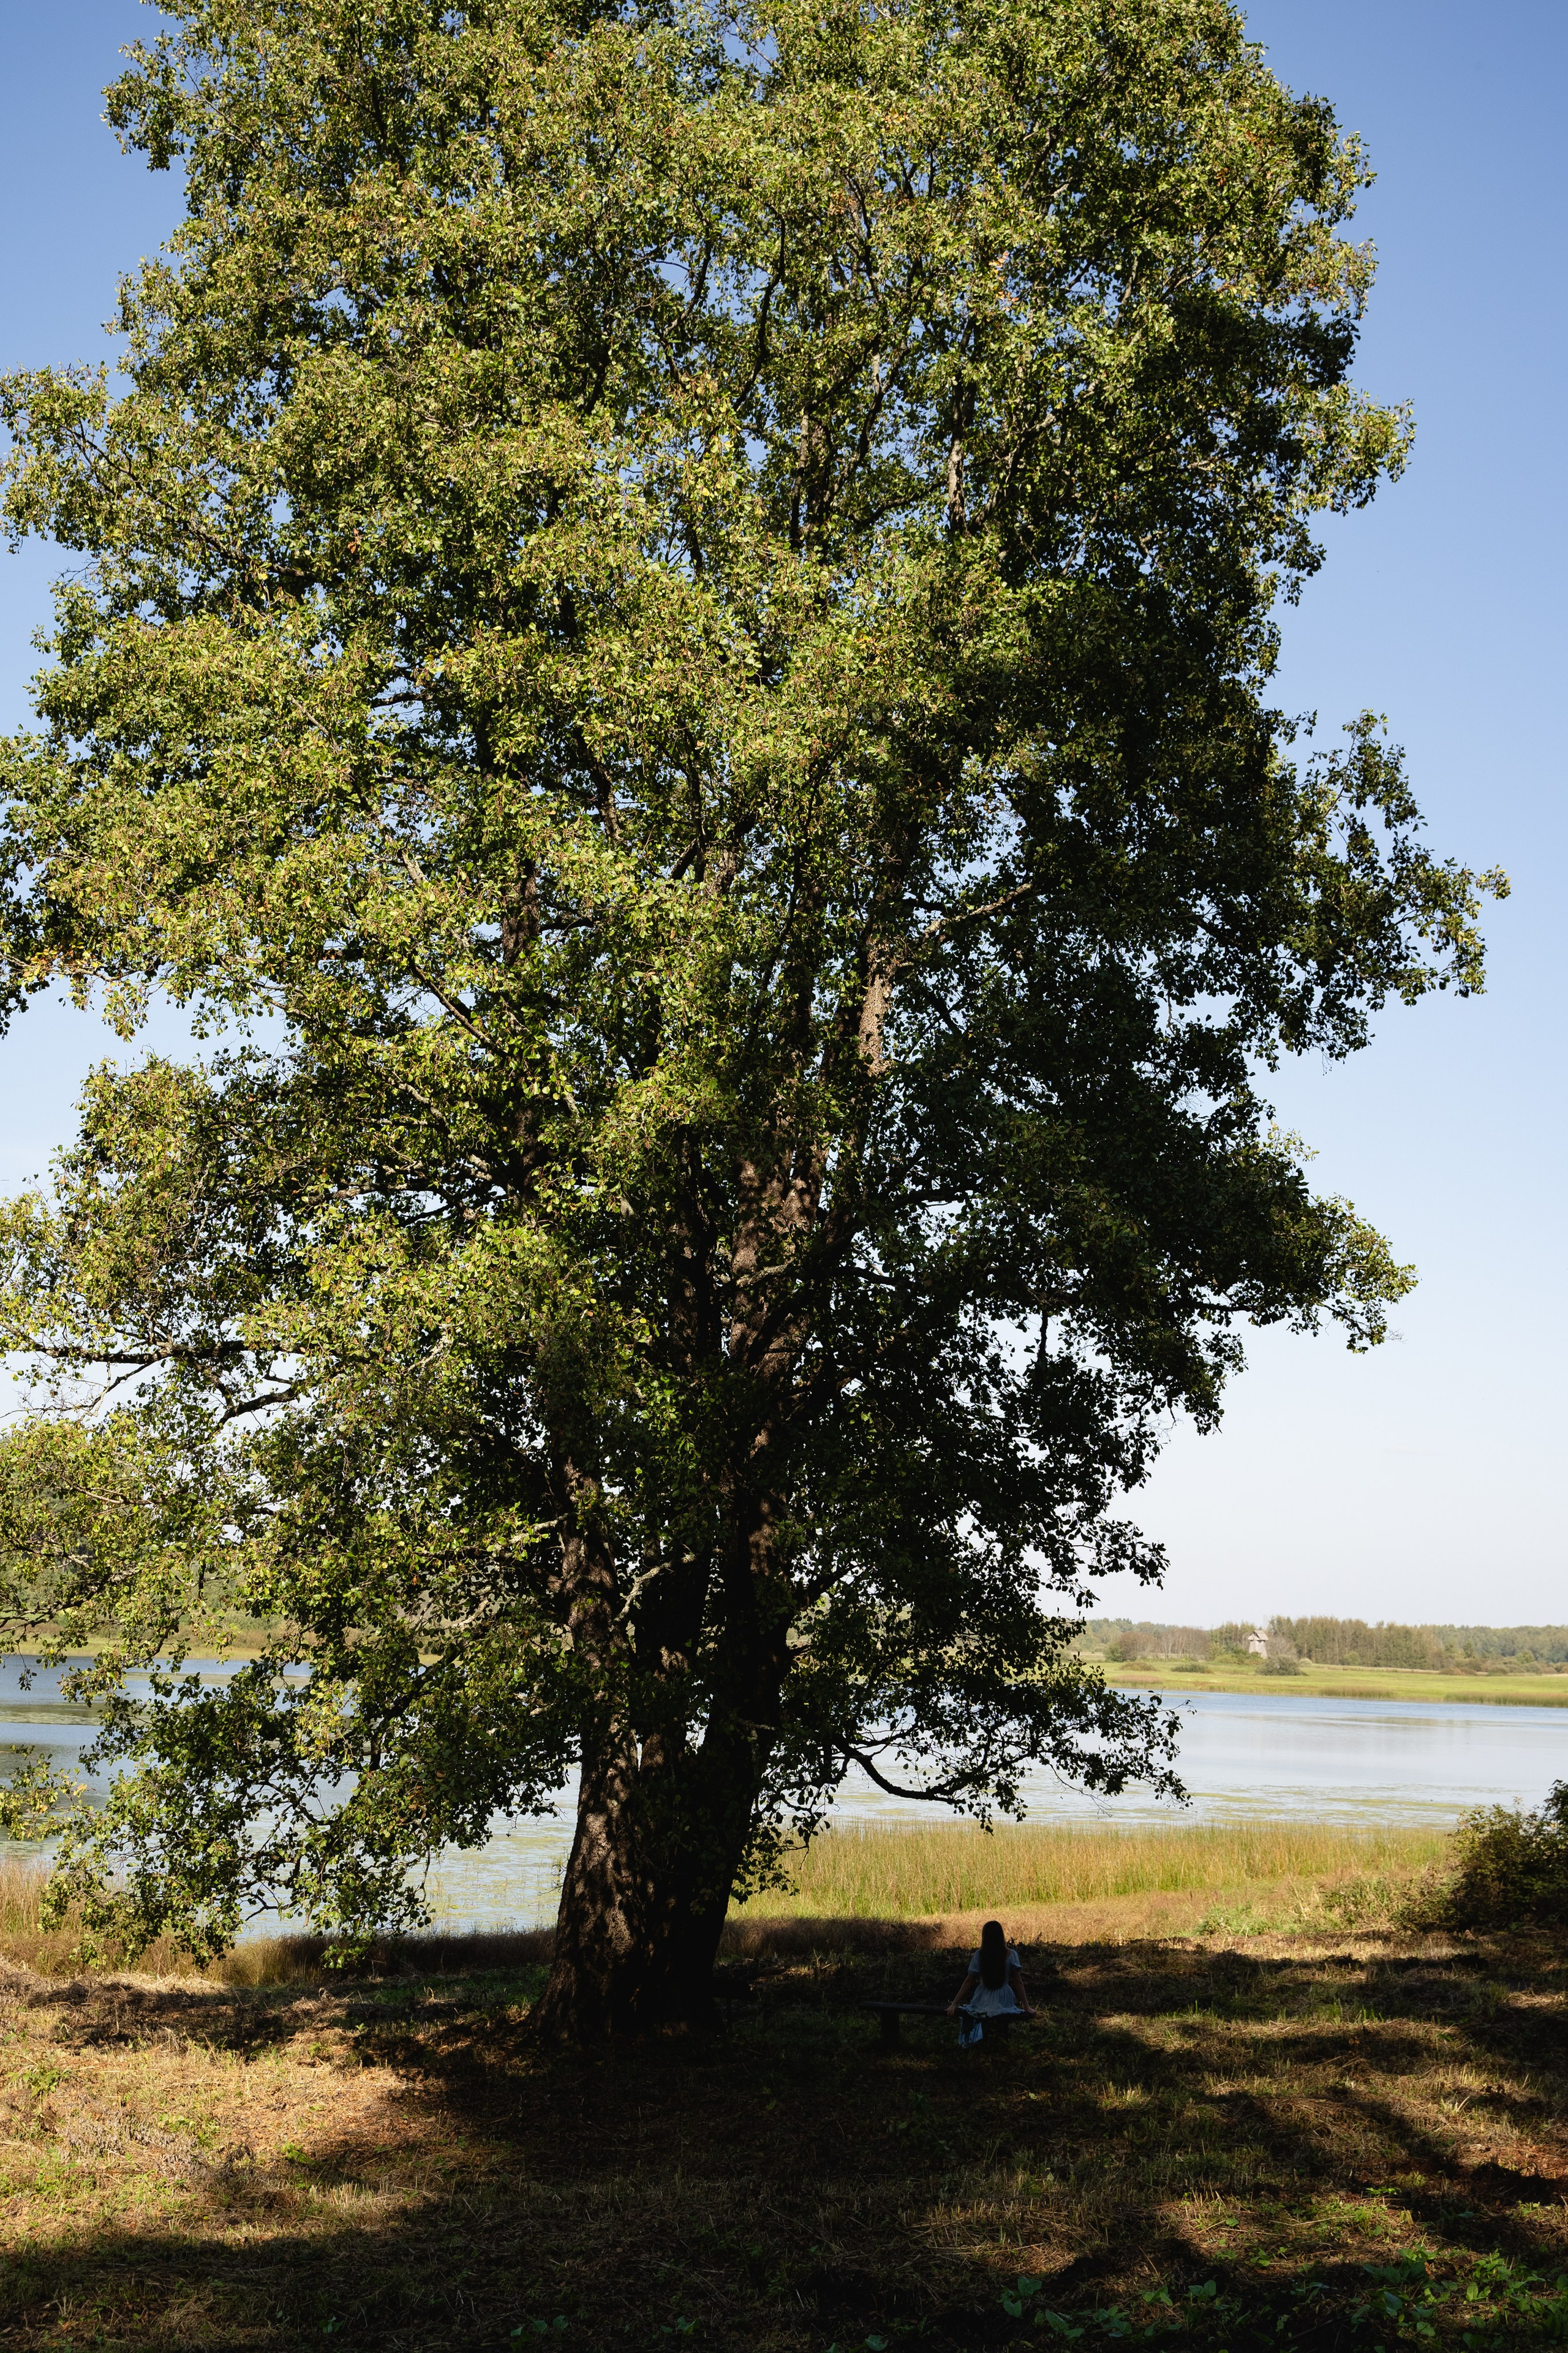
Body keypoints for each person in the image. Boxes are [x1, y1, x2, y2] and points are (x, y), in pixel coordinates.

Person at [947, 1919, 1035, 2046]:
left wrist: (954, 2003)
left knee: (983, 2015)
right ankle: (999, 2043)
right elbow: (1018, 1983)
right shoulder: (1011, 1955)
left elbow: (969, 1981)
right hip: (1004, 1998)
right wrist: (1027, 2007)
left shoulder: (980, 1955)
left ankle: (986, 2042)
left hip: (983, 1998)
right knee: (1000, 2021)